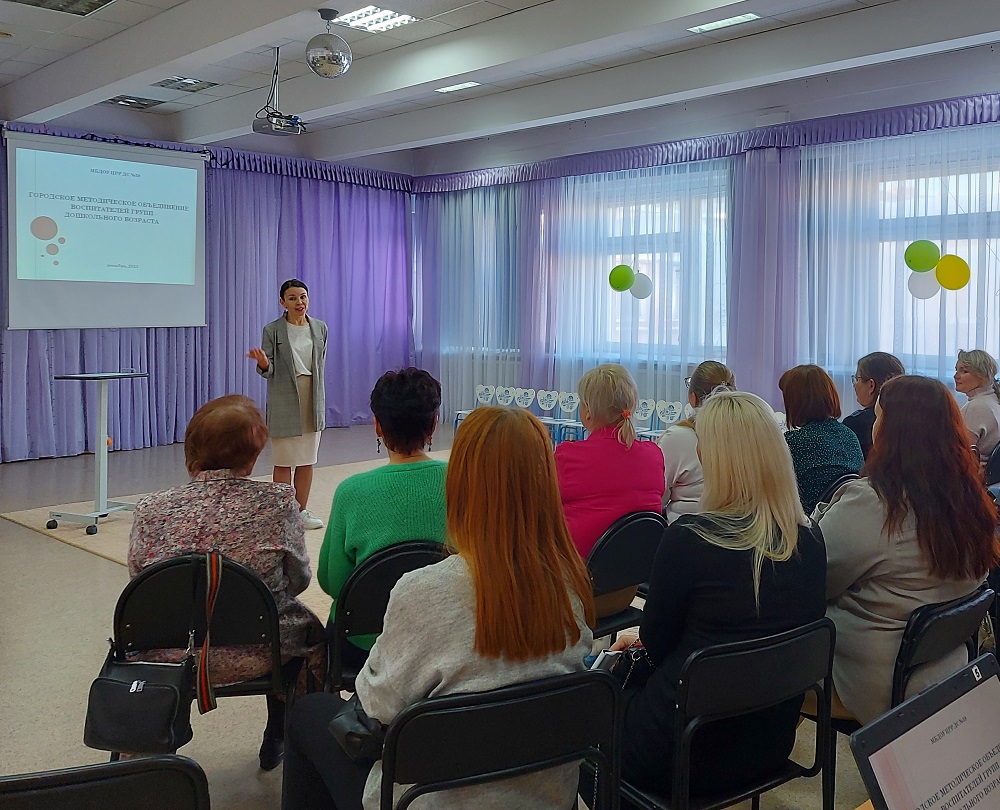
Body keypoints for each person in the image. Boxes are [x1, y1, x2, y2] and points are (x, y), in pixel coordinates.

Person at [282, 407, 595, 810]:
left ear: (459, 482)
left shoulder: (424, 590)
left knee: (309, 713)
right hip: (548, 797)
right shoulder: (572, 585)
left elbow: (377, 706)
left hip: (432, 797)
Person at [604, 390, 825, 798]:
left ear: (718, 458)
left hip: (681, 747)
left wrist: (629, 654)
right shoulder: (810, 540)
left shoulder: (688, 540)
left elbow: (655, 647)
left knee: (588, 710)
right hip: (768, 741)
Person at [127, 395, 326, 771]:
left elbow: (141, 579)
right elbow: (298, 578)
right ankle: (284, 736)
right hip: (263, 650)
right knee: (311, 638)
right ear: (252, 458)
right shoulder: (279, 502)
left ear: (191, 451)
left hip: (169, 652)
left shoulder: (151, 509)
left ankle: (156, 746)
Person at [816, 376, 1000, 724]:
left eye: (878, 416)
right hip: (946, 668)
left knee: (770, 662)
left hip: (875, 683)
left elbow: (814, 581)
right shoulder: (969, 498)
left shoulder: (875, 503)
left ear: (891, 429)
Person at [318, 368, 448, 667]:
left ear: (377, 425)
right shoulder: (464, 480)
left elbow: (332, 581)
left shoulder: (351, 491)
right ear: (433, 424)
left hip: (365, 643)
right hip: (445, 635)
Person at [554, 364, 664, 617]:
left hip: (573, 592)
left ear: (588, 411)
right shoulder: (654, 455)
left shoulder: (569, 456)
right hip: (625, 591)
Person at [247, 279, 328, 530]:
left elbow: (320, 364)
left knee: (307, 459)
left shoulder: (320, 328)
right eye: (292, 298)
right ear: (282, 302)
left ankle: (301, 512)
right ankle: (283, 514)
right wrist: (263, 363)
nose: (299, 302)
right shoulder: (273, 330)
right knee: (283, 460)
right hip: (284, 396)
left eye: (303, 296)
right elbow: (268, 368)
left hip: (312, 395)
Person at [779, 364, 863, 514]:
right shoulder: (849, 434)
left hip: (809, 521)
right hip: (847, 515)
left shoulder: (793, 442)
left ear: (795, 402)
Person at [657, 361, 734, 523]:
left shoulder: (677, 438)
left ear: (693, 398)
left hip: (687, 529)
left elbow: (658, 495)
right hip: (737, 528)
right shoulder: (749, 435)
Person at [843, 352, 904, 459]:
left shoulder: (854, 424)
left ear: (871, 385)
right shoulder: (911, 419)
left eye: (857, 379)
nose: (854, 385)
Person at [954, 349, 1000, 465]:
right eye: (956, 370)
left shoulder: (976, 407)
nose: (956, 376)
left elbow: (958, 453)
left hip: (973, 472)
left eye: (964, 371)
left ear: (982, 376)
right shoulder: (993, 399)